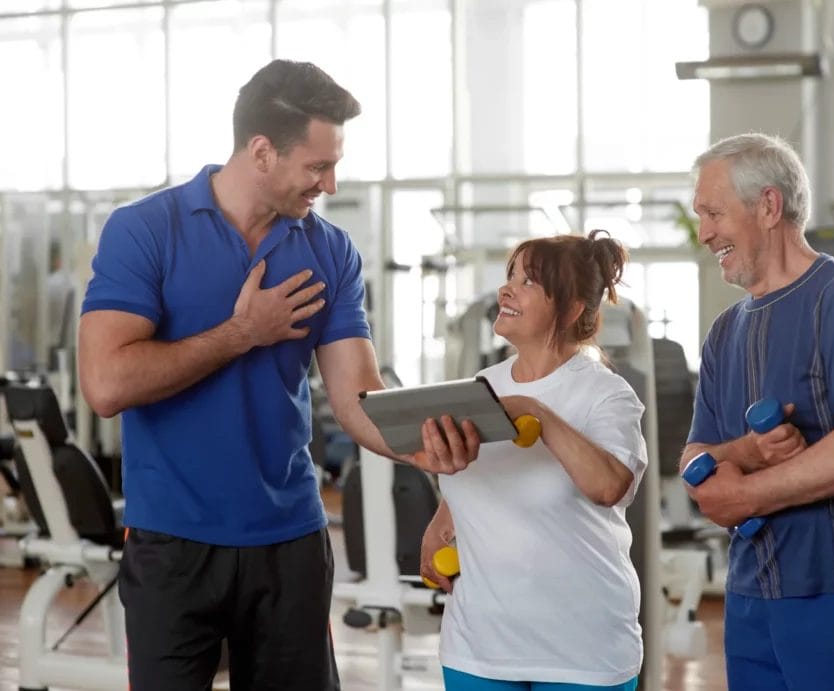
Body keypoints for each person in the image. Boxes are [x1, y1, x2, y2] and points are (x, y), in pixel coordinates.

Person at [77, 59, 479, 691]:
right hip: (174, 541)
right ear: (261, 151)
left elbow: (358, 398)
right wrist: (242, 333)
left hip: (290, 540)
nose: (331, 182)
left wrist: (435, 445)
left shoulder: (330, 249)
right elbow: (105, 385)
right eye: (317, 166)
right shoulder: (146, 230)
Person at [681, 132, 834, 690]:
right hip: (752, 595)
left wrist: (745, 491)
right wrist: (743, 453)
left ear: (769, 206)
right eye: (700, 215)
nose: (704, 233)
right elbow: (699, 453)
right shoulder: (725, 331)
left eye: (714, 212)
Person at [419, 229, 648, 691]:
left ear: (571, 310)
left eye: (528, 282)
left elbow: (609, 488)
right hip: (478, 646)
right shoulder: (484, 382)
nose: (507, 289)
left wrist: (536, 413)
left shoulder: (605, 393)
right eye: (510, 276)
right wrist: (441, 521)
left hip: (582, 652)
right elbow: (476, 472)